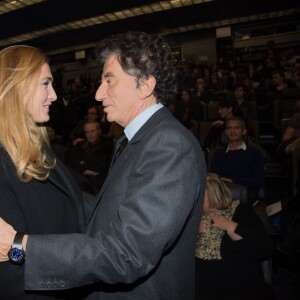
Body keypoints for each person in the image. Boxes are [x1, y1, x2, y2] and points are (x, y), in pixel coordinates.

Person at [0, 32, 206, 300]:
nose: (98, 94)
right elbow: (99, 209)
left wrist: (20, 245)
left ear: (145, 85)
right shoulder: (134, 141)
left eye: (109, 80)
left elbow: (127, 254)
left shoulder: (168, 144)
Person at [0, 45, 86, 299]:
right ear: (19, 88)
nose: (54, 95)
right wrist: (20, 250)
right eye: (46, 84)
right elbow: (9, 257)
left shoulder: (37, 149)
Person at [195, 173, 275, 300]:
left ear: (215, 194)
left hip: (241, 290)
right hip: (203, 291)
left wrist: (229, 225)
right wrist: (192, 234)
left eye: (200, 194)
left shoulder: (241, 212)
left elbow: (265, 249)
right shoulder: (191, 221)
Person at [210, 116, 265, 204]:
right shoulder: (218, 154)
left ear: (244, 131)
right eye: (229, 128)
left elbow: (259, 180)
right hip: (222, 196)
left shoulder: (254, 153)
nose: (232, 131)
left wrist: (233, 180)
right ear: (225, 132)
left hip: (245, 197)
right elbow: (214, 179)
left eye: (236, 128)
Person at [67, 120, 113, 194]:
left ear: (99, 131)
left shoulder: (108, 147)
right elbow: (71, 165)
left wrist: (83, 167)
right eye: (87, 132)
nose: (90, 135)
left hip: (100, 184)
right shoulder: (80, 146)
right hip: (81, 183)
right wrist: (88, 170)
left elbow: (103, 167)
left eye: (92, 131)